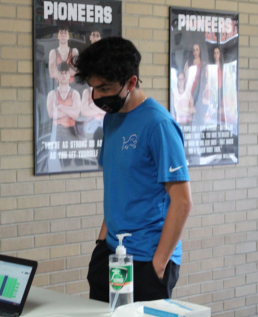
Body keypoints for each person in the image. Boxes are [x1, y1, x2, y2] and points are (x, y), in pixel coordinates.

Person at [72, 37, 192, 302]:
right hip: (112, 254)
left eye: (104, 88)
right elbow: (118, 187)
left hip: (148, 258)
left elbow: (182, 202)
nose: (97, 97)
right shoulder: (111, 119)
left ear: (131, 82)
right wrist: (101, 244)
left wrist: (158, 264)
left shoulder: (158, 124)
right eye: (93, 89)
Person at [46, 62, 81, 128]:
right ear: (58, 75)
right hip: (56, 129)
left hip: (72, 130)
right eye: (61, 73)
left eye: (66, 73)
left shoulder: (75, 93)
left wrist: (60, 107)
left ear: (69, 75)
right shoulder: (52, 94)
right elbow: (51, 114)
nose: (64, 75)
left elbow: (76, 114)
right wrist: (70, 111)